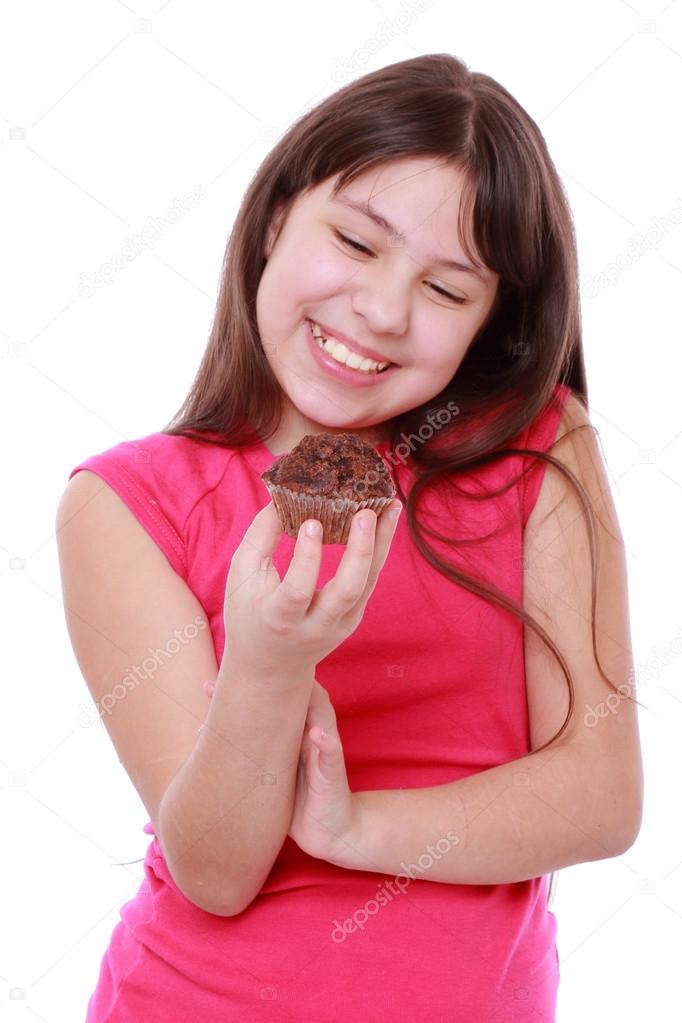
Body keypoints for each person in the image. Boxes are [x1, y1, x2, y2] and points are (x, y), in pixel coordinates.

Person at [56, 52, 644, 1022]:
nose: (380, 311)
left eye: (448, 290)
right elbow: (213, 871)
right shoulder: (128, 502)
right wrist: (270, 665)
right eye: (357, 242)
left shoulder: (535, 448)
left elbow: (598, 796)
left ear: (491, 322)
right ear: (279, 210)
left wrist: (354, 825)